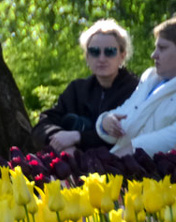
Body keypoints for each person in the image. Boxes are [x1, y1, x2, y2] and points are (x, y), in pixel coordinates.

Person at [31, 19, 139, 154]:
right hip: (76, 162)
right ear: (87, 57)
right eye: (94, 52)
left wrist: (78, 137)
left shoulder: (136, 89)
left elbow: (125, 133)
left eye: (109, 52)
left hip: (117, 163)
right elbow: (42, 125)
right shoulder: (77, 89)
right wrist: (58, 136)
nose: (101, 58)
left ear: (122, 56)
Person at [96, 17, 176, 156]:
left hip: (155, 174)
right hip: (122, 164)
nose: (153, 55)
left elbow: (171, 137)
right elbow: (124, 115)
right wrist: (105, 122)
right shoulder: (150, 79)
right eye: (155, 47)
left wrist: (131, 150)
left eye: (162, 48)